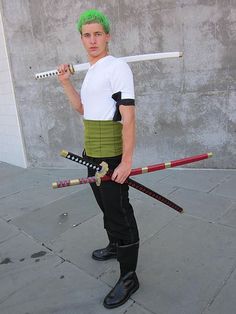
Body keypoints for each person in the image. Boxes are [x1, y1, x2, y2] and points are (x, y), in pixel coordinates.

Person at [57, 9, 139, 309]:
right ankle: (117, 246)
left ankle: (129, 276)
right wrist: (66, 81)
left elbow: (128, 117)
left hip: (111, 154)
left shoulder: (117, 67)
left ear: (108, 36)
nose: (92, 40)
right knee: (105, 207)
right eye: (86, 35)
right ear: (82, 38)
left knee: (120, 212)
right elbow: (83, 109)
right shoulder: (91, 71)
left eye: (97, 34)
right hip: (90, 151)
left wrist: (126, 161)